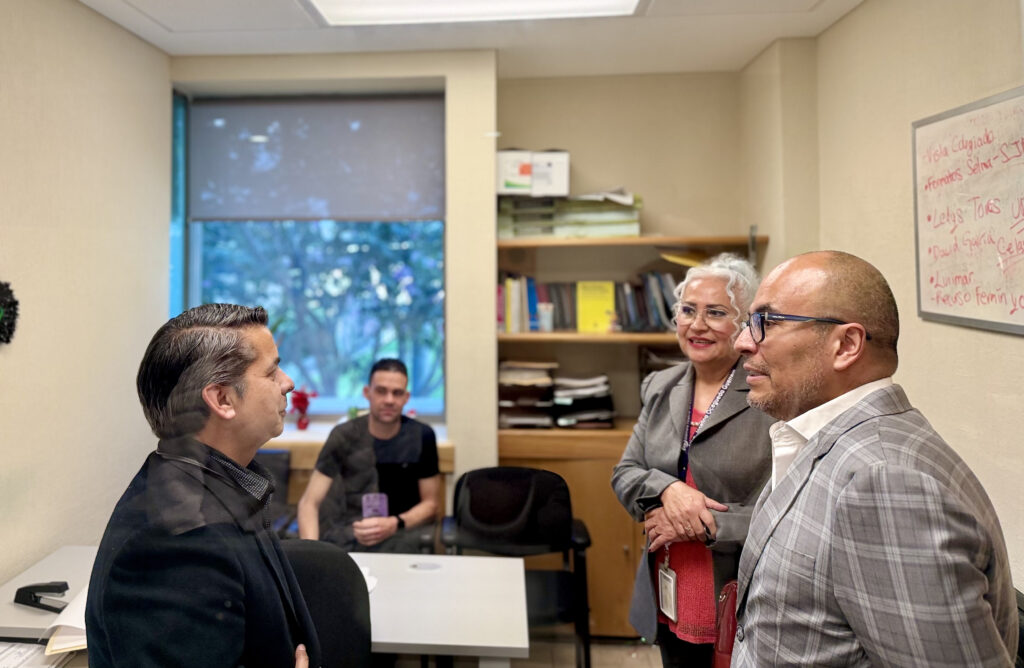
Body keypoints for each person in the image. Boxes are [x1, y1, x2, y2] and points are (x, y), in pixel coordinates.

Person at [731, 250, 1018, 666]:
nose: (742, 342)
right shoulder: (821, 439)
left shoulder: (883, 481)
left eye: (766, 322)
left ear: (846, 345)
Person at [85, 304, 319, 668]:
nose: (288, 382)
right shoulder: (177, 543)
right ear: (223, 399)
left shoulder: (223, 484)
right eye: (272, 372)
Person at [612, 253, 774, 667]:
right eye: (688, 310)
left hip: (737, 593)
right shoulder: (661, 386)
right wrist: (669, 489)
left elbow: (783, 509)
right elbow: (626, 474)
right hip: (667, 585)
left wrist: (700, 526)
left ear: (743, 325)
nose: (697, 325)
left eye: (716, 313)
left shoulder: (769, 396)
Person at [298, 358, 440, 552]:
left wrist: (394, 523)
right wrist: (312, 555)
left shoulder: (422, 436)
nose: (389, 400)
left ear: (406, 398)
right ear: (367, 393)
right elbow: (309, 503)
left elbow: (431, 504)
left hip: (401, 535)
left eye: (397, 393)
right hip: (350, 535)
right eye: (381, 391)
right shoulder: (344, 435)